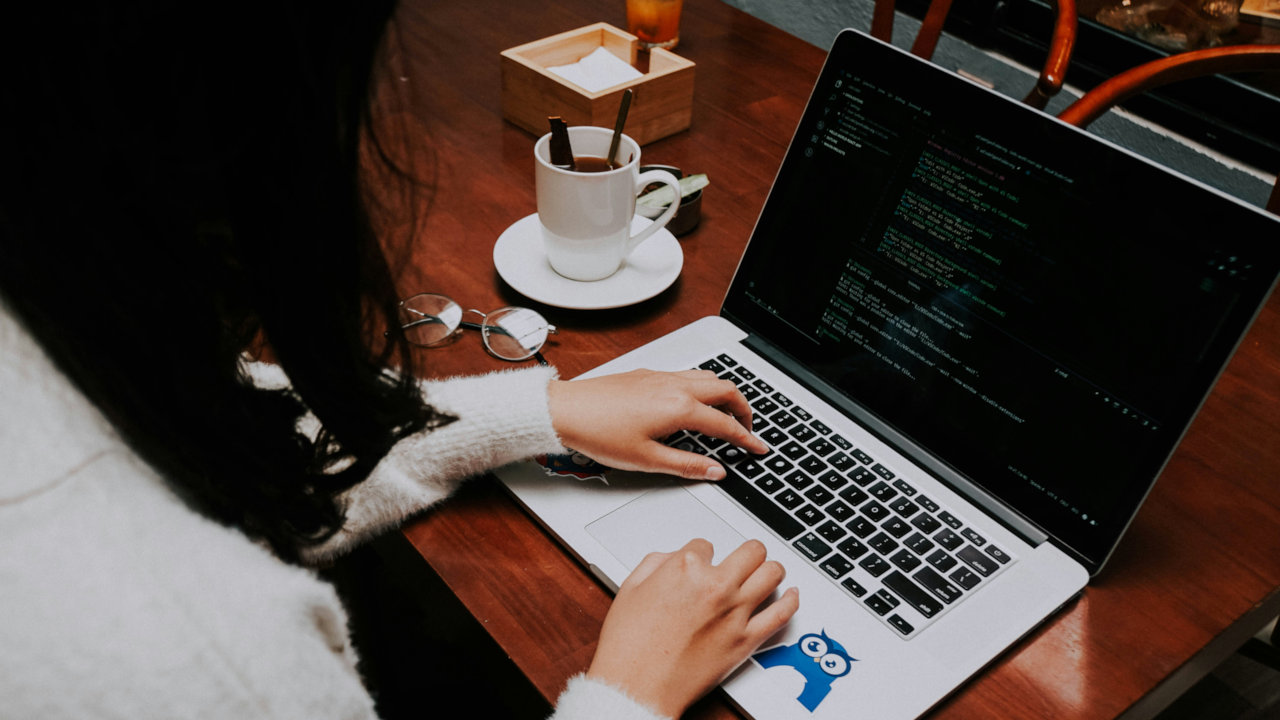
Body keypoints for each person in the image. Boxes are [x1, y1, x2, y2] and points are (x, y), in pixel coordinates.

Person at [0, 2, 798, 719]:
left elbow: (241, 419)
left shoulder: (61, 315)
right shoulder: (201, 656)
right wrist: (632, 691)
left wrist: (541, 413)